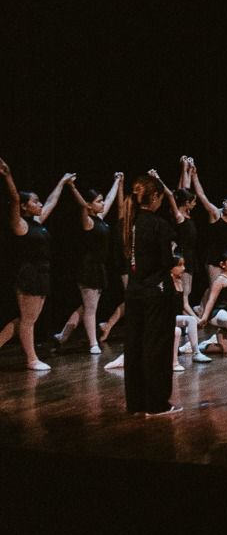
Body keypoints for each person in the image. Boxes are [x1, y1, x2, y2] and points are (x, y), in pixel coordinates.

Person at [119, 171, 181, 414]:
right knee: (156, 347)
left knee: (134, 347)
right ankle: (156, 404)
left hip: (133, 291)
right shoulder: (158, 225)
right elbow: (168, 261)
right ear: (154, 197)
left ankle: (136, 403)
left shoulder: (126, 223)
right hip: (156, 292)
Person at [0, 161, 70, 371]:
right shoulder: (20, 225)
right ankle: (31, 359)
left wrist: (62, 182)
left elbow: (51, 202)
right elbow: (13, 198)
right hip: (29, 275)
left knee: (25, 319)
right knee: (28, 320)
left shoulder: (37, 223)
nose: (40, 205)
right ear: (24, 207)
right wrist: (7, 176)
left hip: (42, 274)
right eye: (35, 202)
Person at [53, 172, 121, 355]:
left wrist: (117, 181)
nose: (102, 203)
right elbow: (82, 204)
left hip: (98, 267)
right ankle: (93, 344)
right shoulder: (88, 221)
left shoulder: (100, 218)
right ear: (90, 205)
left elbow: (110, 198)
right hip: (88, 268)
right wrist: (72, 187)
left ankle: (63, 335)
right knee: (91, 309)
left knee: (85, 307)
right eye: (98, 201)